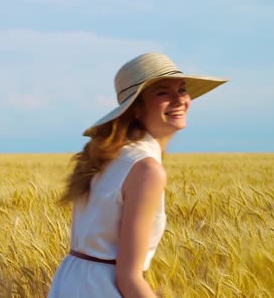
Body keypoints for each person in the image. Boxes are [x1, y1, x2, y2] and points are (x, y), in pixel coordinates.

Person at [48, 53, 228, 297]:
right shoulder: (146, 170)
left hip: (70, 282)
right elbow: (128, 278)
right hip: (103, 288)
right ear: (136, 108)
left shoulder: (107, 154)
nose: (180, 100)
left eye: (182, 90)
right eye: (163, 93)